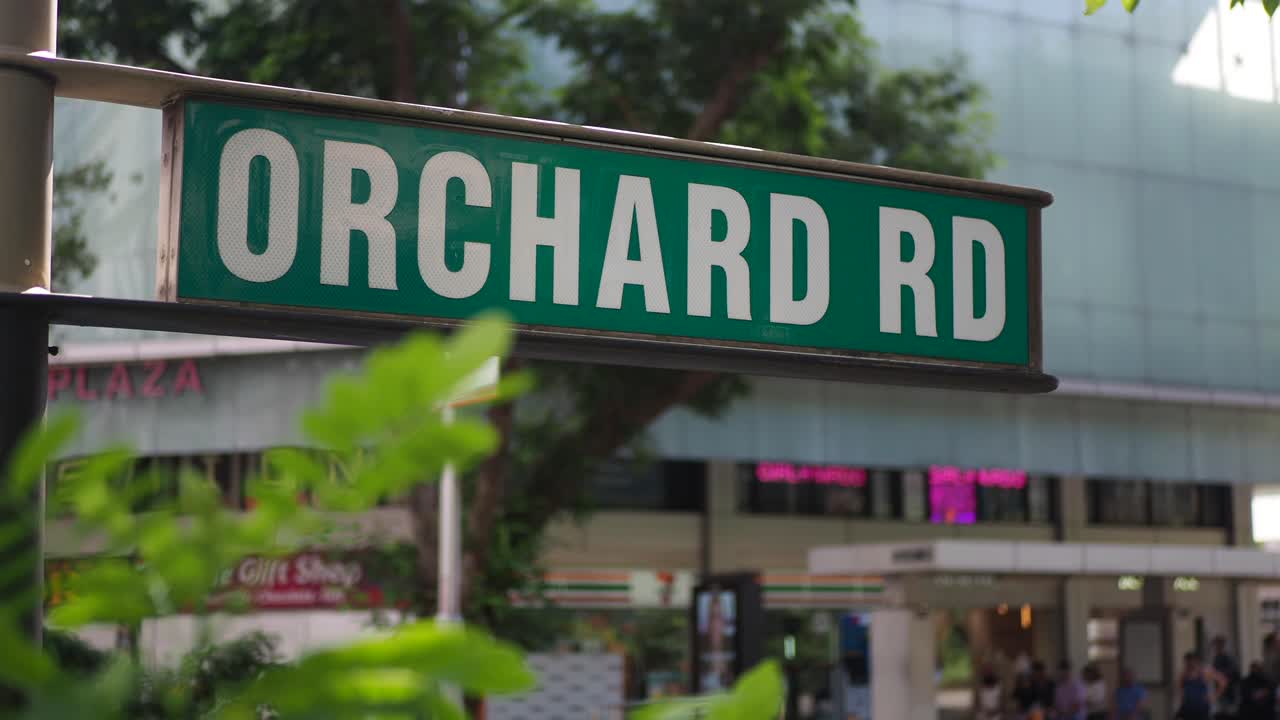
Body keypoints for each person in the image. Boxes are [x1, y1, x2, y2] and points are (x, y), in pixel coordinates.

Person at [1179, 653, 1227, 720]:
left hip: (1201, 707)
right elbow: (1181, 689)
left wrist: (1214, 697)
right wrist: (1182, 703)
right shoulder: (1184, 674)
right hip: (1188, 707)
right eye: (1187, 663)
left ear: (1196, 661)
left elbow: (1223, 681)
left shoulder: (1205, 671)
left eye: (1191, 662)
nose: (1189, 665)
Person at [1212, 635, 1241, 717]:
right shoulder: (1217, 658)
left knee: (1229, 712)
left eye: (1217, 645)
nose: (1216, 647)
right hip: (1222, 690)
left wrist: (1219, 675)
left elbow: (1233, 673)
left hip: (1229, 690)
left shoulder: (1227, 657)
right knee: (1223, 711)